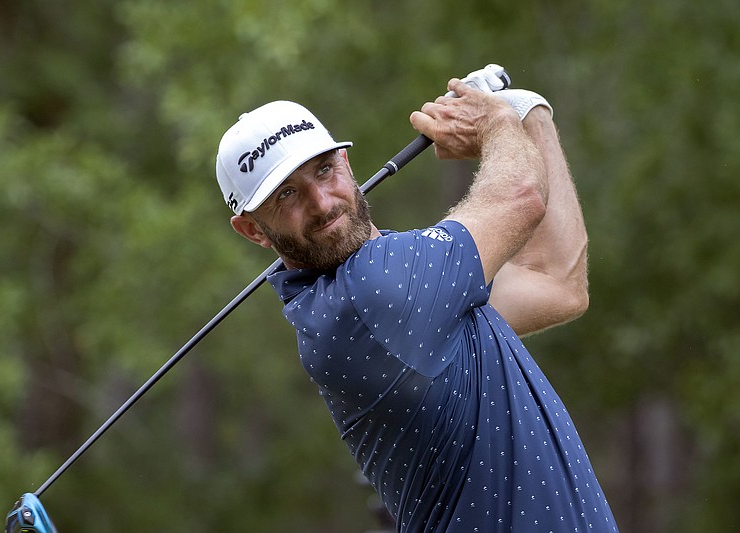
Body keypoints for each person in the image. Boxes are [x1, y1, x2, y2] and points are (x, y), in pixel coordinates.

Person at [215, 65, 619, 532]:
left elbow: (557, 280)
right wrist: (495, 123)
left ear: (346, 162)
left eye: (324, 170)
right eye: (287, 195)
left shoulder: (409, 297)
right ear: (251, 229)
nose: (323, 203)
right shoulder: (371, 294)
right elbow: (521, 196)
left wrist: (530, 115)